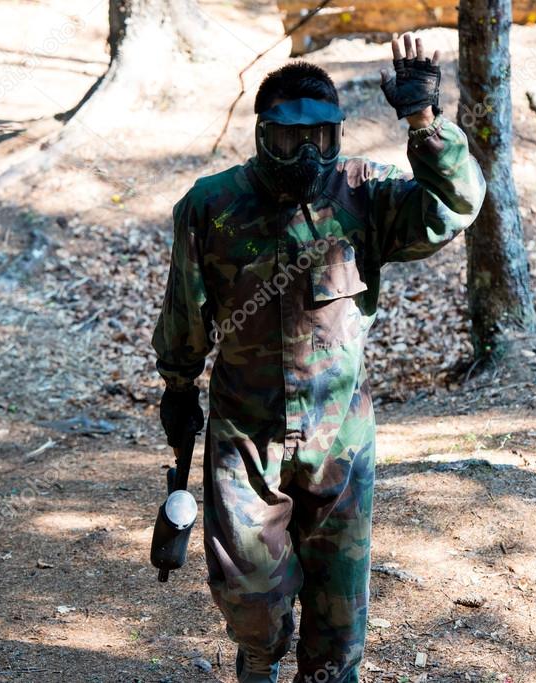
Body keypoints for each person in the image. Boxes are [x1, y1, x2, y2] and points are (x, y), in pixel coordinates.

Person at [152, 34, 486, 683]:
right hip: (244, 440)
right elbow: (185, 306)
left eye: (321, 139)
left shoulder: (363, 193)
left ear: (337, 136)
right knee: (248, 594)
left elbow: (453, 206)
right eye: (287, 139)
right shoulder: (211, 206)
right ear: (260, 135)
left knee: (336, 631)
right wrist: (177, 382)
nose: (305, 154)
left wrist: (423, 121)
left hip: (340, 441)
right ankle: (258, 653)